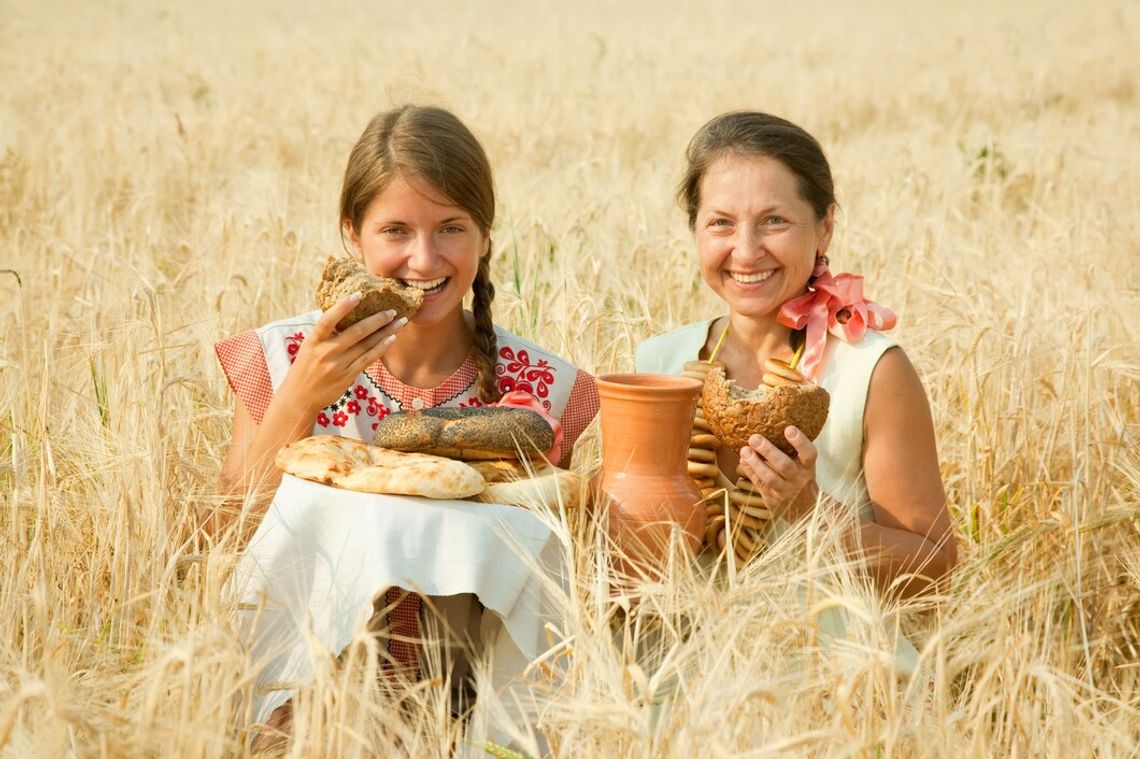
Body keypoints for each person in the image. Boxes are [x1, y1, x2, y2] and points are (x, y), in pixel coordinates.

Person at [207, 104, 600, 744]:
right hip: (295, 708)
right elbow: (226, 541)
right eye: (395, 231)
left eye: (451, 228)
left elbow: (543, 579)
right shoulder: (282, 360)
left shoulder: (541, 392)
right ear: (351, 236)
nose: (423, 259)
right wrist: (300, 399)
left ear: (485, 237)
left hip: (474, 716)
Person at [637, 111, 956, 599]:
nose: (745, 252)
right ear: (695, 231)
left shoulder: (871, 371)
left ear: (824, 228)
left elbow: (936, 565)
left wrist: (811, 512)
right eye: (720, 223)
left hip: (831, 657)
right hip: (673, 654)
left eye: (775, 221)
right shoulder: (658, 363)